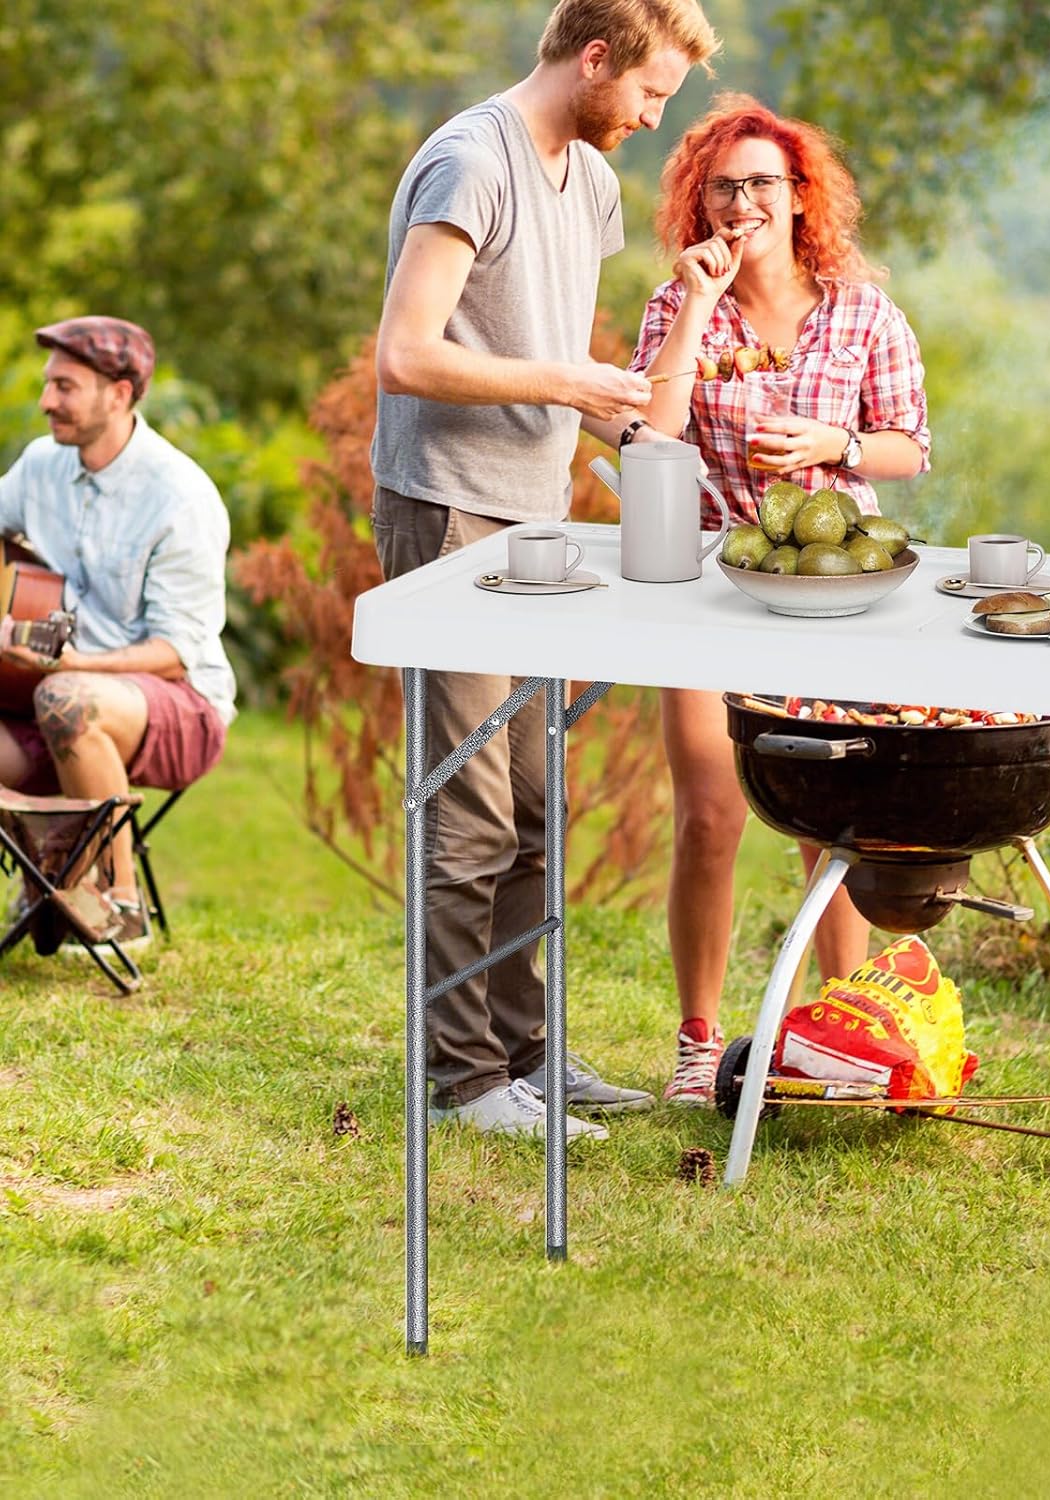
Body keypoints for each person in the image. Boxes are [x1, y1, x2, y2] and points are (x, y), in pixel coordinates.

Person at [371, 0, 719, 1142]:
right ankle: (464, 1080)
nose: (656, 120)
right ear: (594, 56)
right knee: (468, 810)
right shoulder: (473, 161)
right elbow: (406, 353)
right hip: (449, 515)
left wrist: (630, 432)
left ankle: (526, 1056)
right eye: (651, 94)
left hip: (536, 522)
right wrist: (573, 387)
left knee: (531, 808)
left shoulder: (594, 179)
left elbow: (559, 350)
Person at [628, 94, 931, 1104]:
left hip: (832, 587)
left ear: (799, 197)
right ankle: (698, 1043)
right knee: (711, 812)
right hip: (705, 581)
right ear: (699, 201)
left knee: (828, 822)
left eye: (762, 183)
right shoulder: (678, 305)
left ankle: (834, 1037)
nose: (743, 201)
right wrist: (699, 308)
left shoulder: (860, 309)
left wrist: (832, 445)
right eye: (724, 186)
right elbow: (652, 438)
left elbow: (907, 446)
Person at [0, 317, 237, 947]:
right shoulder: (41, 466)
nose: (47, 401)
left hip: (177, 705)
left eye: (66, 387)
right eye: (49, 384)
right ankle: (45, 876)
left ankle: (116, 902)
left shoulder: (179, 496)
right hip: (47, 694)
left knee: (67, 697)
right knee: (56, 696)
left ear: (120, 393)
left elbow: (177, 651)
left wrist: (71, 664)